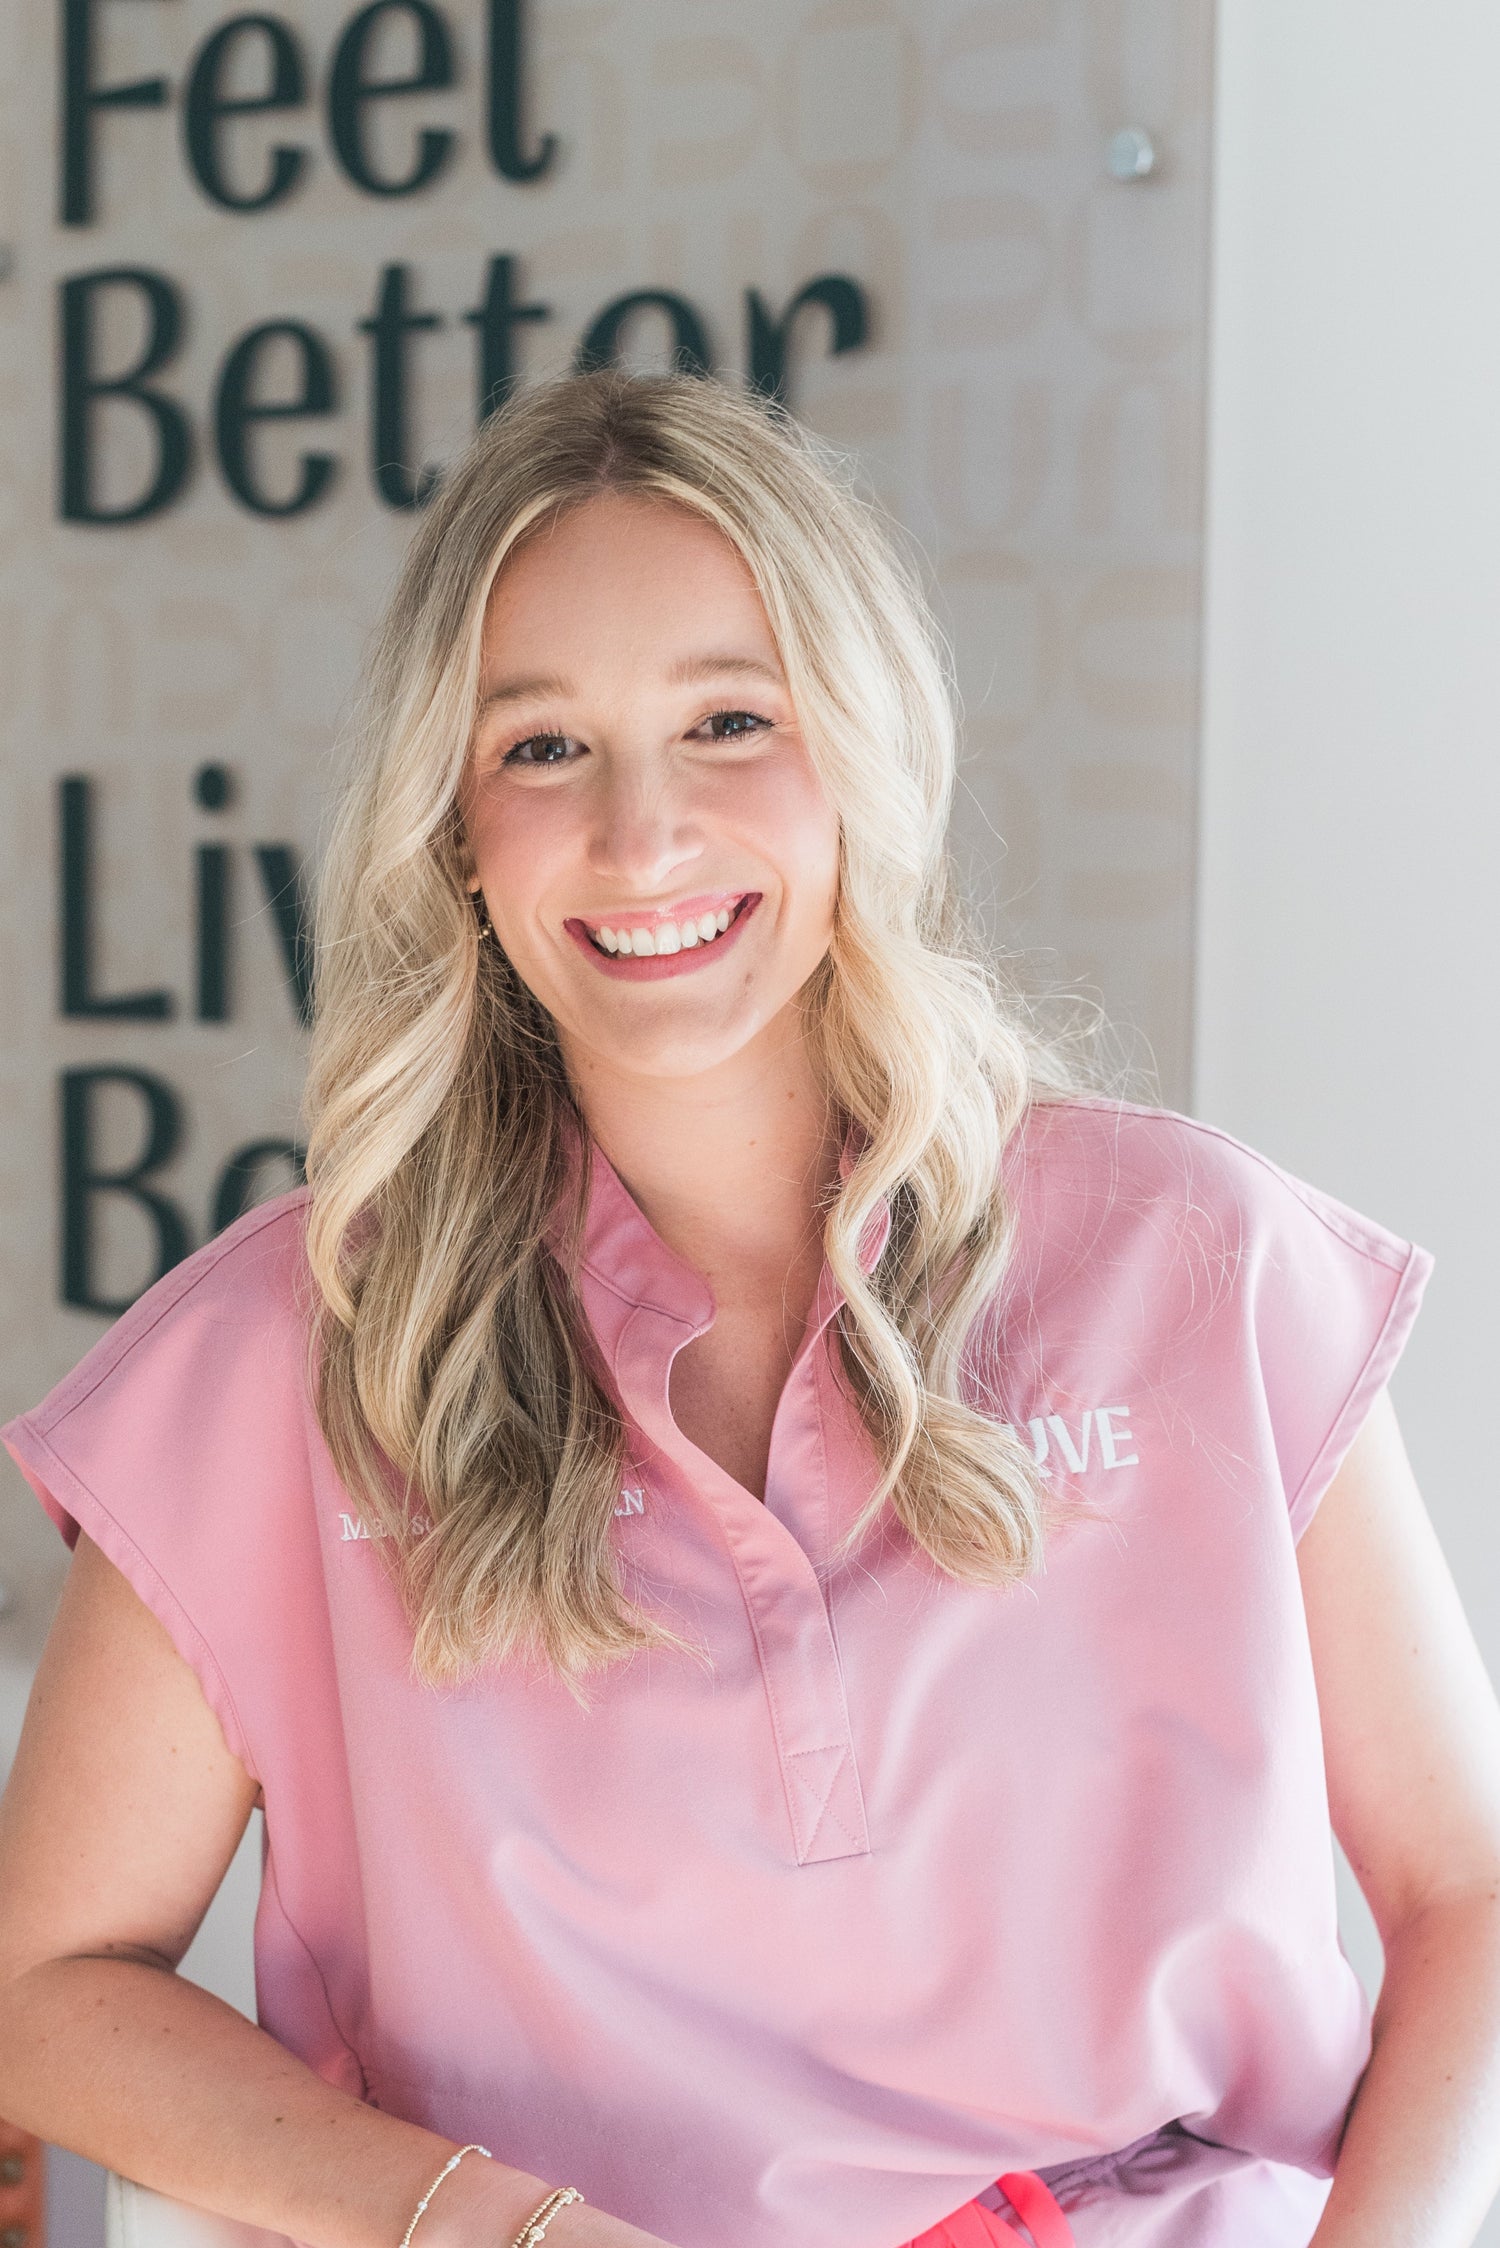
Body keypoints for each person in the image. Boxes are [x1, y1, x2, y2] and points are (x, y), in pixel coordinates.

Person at [1, 369, 1499, 2248]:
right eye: (541, 747)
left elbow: (1468, 1894)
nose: (641, 838)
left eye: (730, 722)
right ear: (452, 826)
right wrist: (486, 2227)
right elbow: (44, 1983)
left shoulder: (1194, 1259)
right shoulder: (284, 1361)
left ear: (863, 751)